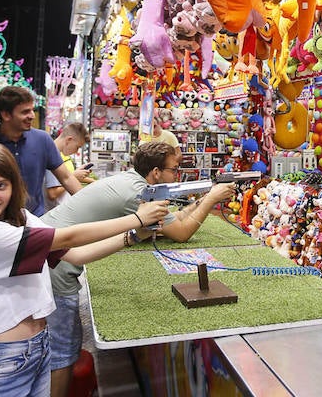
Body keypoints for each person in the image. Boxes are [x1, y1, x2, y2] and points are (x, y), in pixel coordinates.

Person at [0, 143, 169, 396]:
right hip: (2, 360)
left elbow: (75, 255)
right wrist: (138, 218)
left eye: (0, 185)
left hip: (39, 346)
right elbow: (69, 238)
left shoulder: (19, 218)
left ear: (13, 185)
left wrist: (132, 236)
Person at [42, 141, 234, 397]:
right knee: (62, 356)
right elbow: (181, 233)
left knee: (60, 350)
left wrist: (198, 201)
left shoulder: (133, 182)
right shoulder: (138, 194)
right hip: (56, 264)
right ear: (156, 172)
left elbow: (172, 220)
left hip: (51, 254)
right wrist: (211, 199)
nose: (176, 175)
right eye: (173, 170)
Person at [0, 86, 82, 216]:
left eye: (32, 110)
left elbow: (66, 178)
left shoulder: (42, 140)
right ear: (6, 115)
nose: (32, 116)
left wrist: (88, 207)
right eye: (25, 112)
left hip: (35, 222)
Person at [44, 122, 92, 209]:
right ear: (69, 140)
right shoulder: (52, 156)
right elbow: (52, 193)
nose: (77, 151)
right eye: (77, 147)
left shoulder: (53, 153)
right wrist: (74, 176)